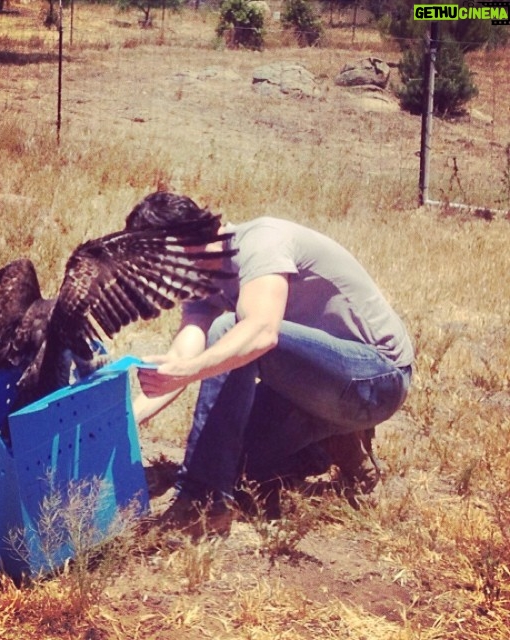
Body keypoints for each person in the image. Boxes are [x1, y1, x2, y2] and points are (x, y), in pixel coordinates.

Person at [129, 191, 414, 537]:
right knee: (238, 464)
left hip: (377, 380)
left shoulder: (261, 241)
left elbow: (260, 332)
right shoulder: (202, 279)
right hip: (315, 388)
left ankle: (203, 503)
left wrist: (191, 370)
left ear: (185, 245)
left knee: (231, 330)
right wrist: (126, 420)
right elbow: (182, 360)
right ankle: (331, 443)